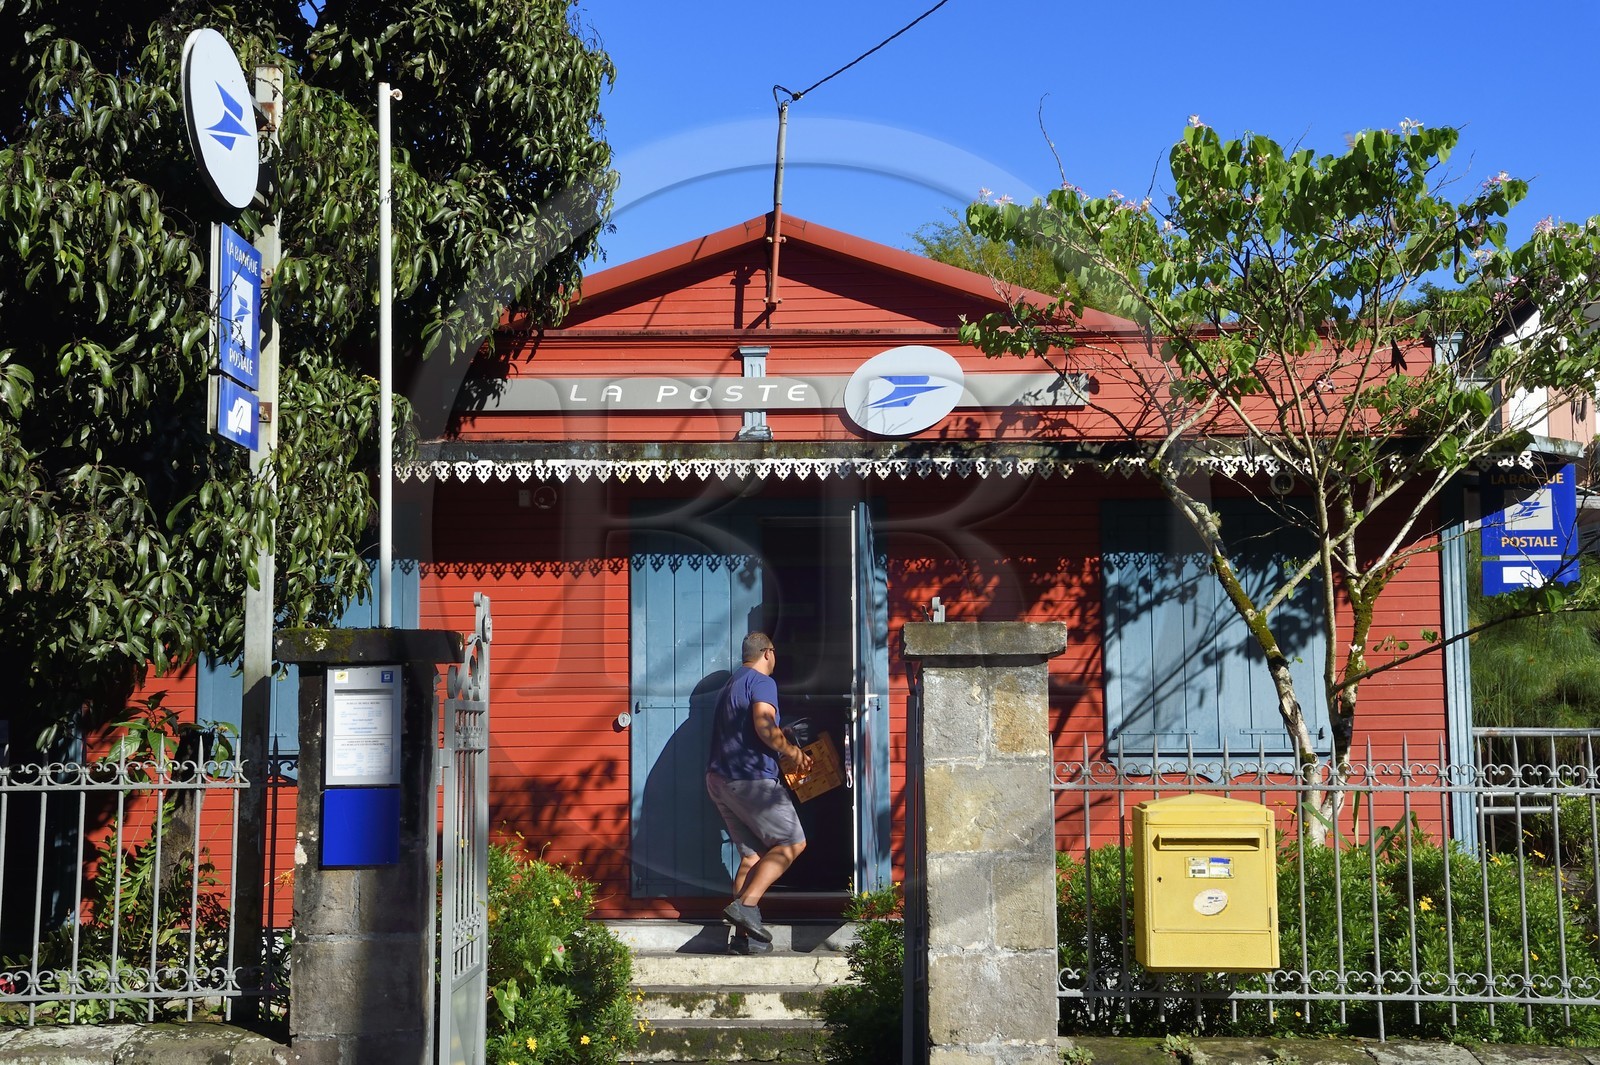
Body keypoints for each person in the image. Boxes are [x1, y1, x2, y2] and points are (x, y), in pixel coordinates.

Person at [705, 631, 814, 954]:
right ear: (768, 652)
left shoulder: (731, 685)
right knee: (793, 842)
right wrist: (794, 754)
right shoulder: (763, 681)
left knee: (752, 857)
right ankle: (746, 906)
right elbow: (765, 727)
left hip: (719, 780)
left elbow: (746, 731)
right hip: (750, 779)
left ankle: (744, 940)